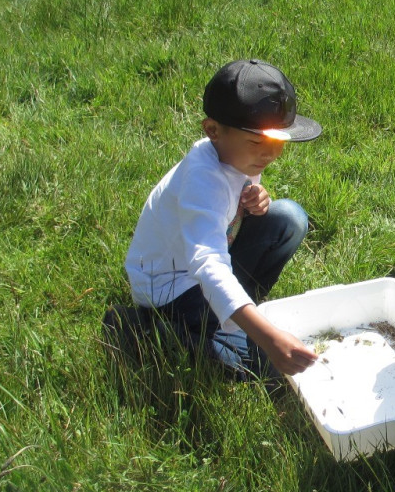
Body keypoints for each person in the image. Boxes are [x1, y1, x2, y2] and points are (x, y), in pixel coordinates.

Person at [117, 59, 321, 380]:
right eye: (258, 141)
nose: (270, 154)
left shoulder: (238, 154)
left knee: (289, 218)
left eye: (278, 142)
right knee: (253, 365)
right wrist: (267, 338)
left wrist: (257, 197)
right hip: (172, 287)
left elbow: (235, 193)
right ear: (213, 130)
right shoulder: (202, 180)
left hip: (208, 264)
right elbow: (206, 263)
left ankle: (237, 308)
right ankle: (145, 328)